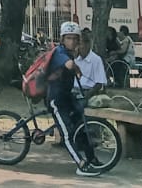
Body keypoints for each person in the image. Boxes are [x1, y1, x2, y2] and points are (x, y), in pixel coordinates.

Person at [45, 22, 97, 175]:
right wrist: (77, 68)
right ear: (62, 39)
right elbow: (68, 65)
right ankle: (80, 164)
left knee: (81, 125)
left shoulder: (69, 53)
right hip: (56, 99)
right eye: (69, 38)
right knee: (67, 132)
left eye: (75, 38)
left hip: (67, 97)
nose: (72, 42)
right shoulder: (59, 52)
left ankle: (91, 158)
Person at [76, 32, 109, 98]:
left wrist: (88, 94)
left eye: (80, 44)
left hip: (87, 91)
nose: (77, 47)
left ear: (87, 45)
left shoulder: (96, 59)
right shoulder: (75, 59)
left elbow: (99, 83)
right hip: (74, 91)